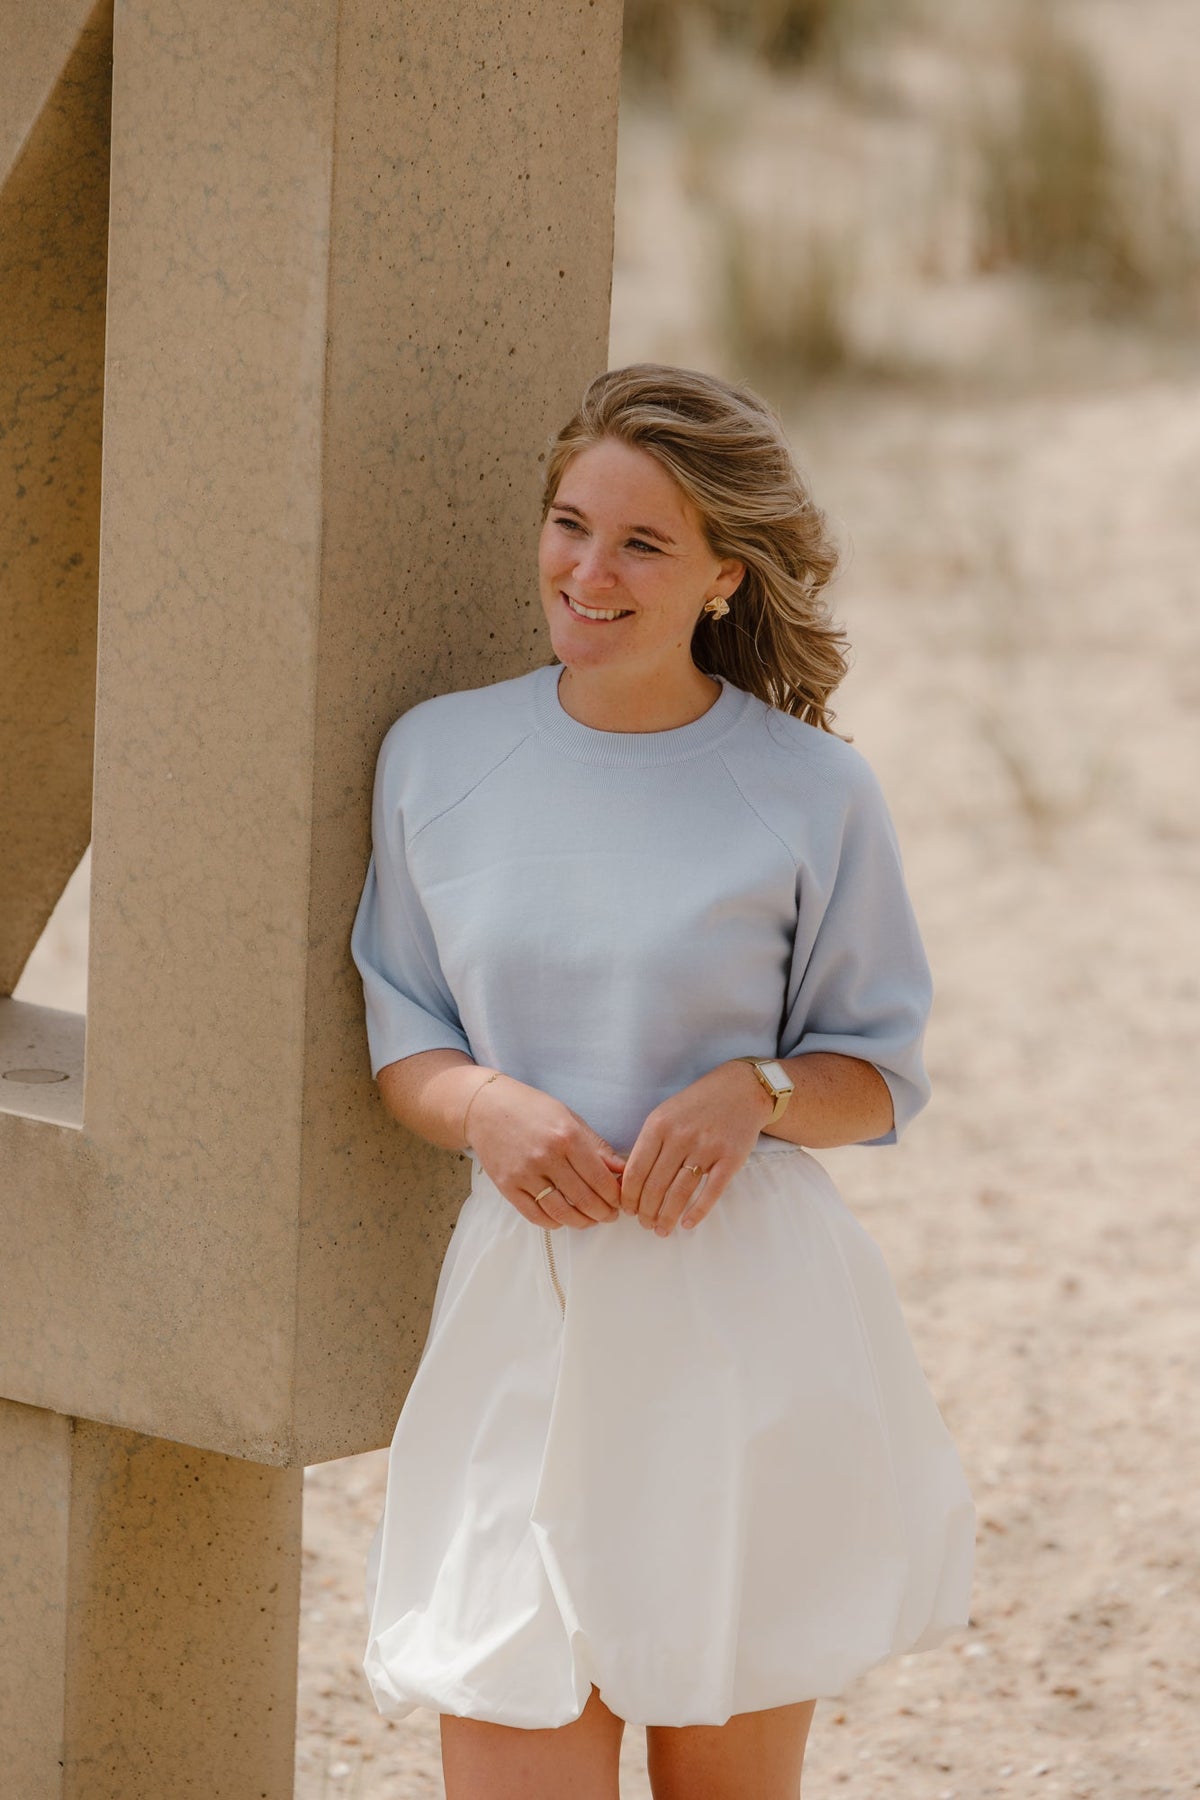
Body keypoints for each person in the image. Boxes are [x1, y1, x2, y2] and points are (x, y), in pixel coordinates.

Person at [350, 363, 975, 1800]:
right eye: (571, 525)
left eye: (642, 543)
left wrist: (755, 1089)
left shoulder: (812, 790)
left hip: (741, 1330)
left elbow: (880, 1074)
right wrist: (484, 1108)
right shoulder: (438, 757)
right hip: (524, 1318)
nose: (588, 572)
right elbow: (405, 1039)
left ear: (723, 575)